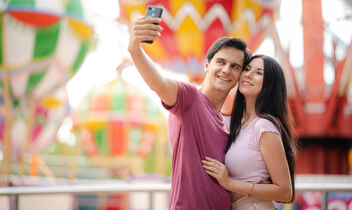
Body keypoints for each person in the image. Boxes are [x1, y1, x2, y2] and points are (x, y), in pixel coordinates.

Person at [127, 16, 251, 209]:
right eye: (221, 62)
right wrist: (135, 50)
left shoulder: (223, 122)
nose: (226, 70)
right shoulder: (189, 98)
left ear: (240, 75)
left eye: (235, 66)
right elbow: (159, 84)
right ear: (207, 65)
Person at [202, 54, 297, 209]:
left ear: (270, 84)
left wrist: (230, 183)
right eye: (247, 69)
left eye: (259, 73)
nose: (248, 74)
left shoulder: (263, 126)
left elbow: (285, 191)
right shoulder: (240, 126)